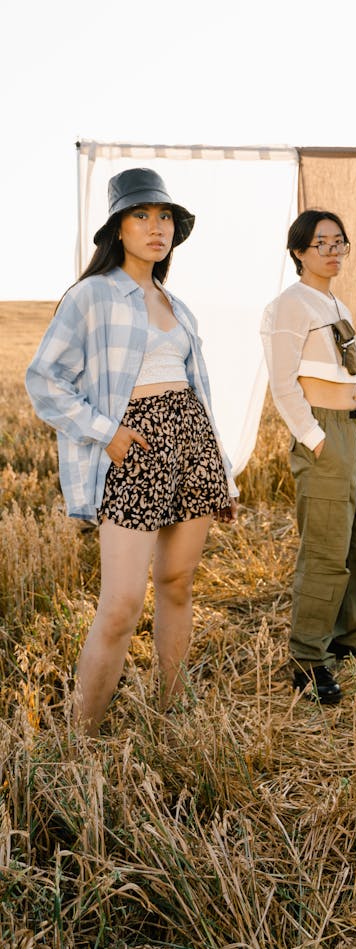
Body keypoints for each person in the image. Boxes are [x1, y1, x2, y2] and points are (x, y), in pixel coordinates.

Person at [26, 168, 238, 734]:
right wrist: (107, 432)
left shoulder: (178, 306)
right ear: (118, 229)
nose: (156, 227)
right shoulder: (91, 295)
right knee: (121, 604)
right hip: (134, 448)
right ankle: (80, 736)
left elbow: (203, 393)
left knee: (178, 584)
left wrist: (219, 469)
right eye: (141, 216)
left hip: (190, 442)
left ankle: (170, 713)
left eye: (164, 216)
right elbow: (45, 380)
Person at [261, 209, 356, 705]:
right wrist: (315, 438)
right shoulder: (289, 306)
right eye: (322, 243)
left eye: (340, 241)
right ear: (299, 251)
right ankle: (307, 657)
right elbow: (282, 382)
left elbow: (351, 375)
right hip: (326, 434)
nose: (333, 251)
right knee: (325, 548)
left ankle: (353, 636)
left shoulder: (337, 304)